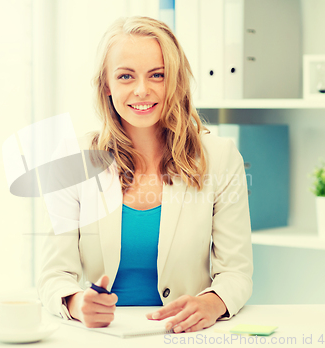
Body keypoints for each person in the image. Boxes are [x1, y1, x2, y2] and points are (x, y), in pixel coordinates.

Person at [37, 16, 253, 334]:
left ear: (176, 81)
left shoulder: (220, 157)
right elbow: (53, 275)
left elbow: (236, 272)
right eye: (126, 76)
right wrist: (77, 304)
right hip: (102, 337)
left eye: (158, 75)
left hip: (186, 335)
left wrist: (212, 303)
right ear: (107, 85)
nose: (142, 90)